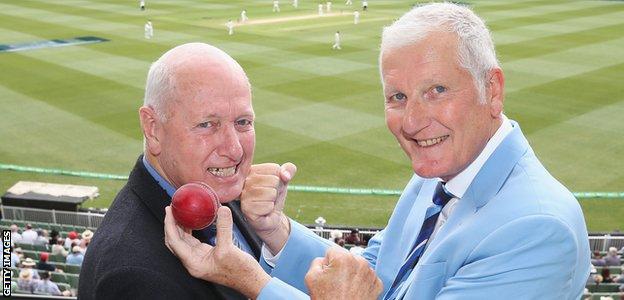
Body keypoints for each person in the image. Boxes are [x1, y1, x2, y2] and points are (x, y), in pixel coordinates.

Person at [165, 3, 590, 300]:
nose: (412, 121)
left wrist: (253, 282)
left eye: (437, 91)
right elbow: (370, 277)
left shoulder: (536, 230)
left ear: (491, 90)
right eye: (398, 97)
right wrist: (276, 231)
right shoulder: (442, 175)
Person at [79, 42, 263, 299]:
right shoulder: (134, 277)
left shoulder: (218, 192)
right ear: (153, 128)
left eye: (243, 122)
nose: (235, 150)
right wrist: (254, 284)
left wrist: (279, 237)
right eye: (207, 124)